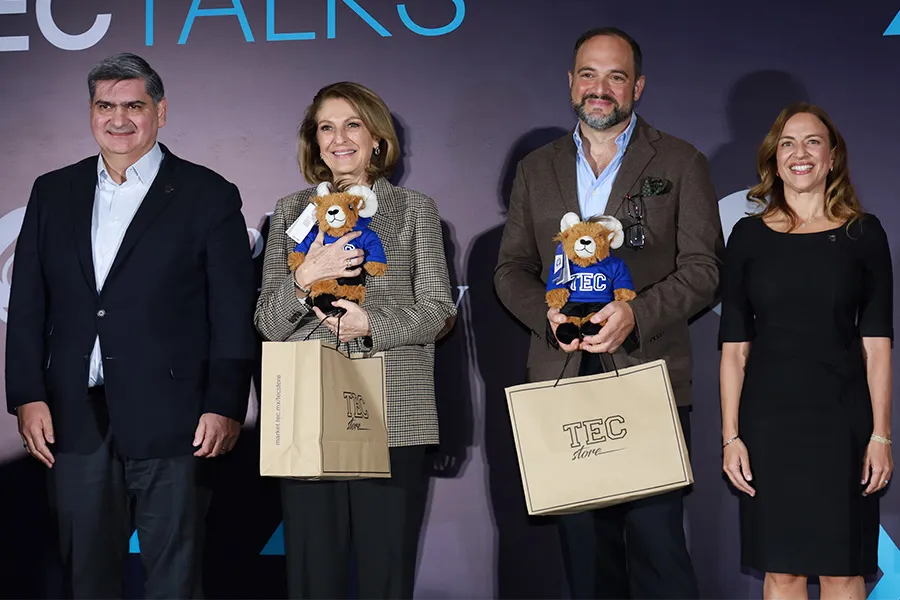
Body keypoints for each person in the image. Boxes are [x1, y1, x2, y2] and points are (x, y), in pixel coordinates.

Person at [4, 53, 256, 598]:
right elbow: (27, 303)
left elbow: (232, 313)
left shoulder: (208, 194)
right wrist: (27, 394)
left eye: (134, 106)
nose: (119, 119)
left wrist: (225, 403)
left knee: (174, 580)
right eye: (105, 106)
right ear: (90, 113)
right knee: (86, 578)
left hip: (177, 421)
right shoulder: (52, 191)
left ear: (160, 112)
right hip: (74, 420)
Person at [494, 27, 723, 599]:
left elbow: (704, 269)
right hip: (562, 376)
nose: (601, 88)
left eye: (616, 76)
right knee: (586, 560)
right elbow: (510, 270)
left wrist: (636, 314)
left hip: (648, 375)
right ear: (571, 83)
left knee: (659, 551)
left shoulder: (680, 160)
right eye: (589, 75)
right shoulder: (535, 168)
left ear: (637, 86)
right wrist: (544, 313)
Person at [254, 81, 456, 599]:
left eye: (352, 125)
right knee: (312, 574)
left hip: (390, 412)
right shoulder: (289, 212)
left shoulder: (414, 210)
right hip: (307, 412)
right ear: (314, 141)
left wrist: (373, 324)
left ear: (376, 139)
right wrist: (305, 278)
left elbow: (438, 311)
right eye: (326, 127)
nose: (338, 138)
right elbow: (268, 323)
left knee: (383, 575)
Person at [719, 103, 892, 599]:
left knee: (842, 570)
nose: (800, 153)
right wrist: (731, 437)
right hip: (769, 425)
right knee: (783, 571)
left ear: (832, 157)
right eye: (788, 143)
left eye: (813, 141)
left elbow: (878, 344)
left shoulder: (864, 233)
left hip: (842, 423)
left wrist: (881, 435)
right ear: (774, 160)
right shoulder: (748, 237)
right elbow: (733, 348)